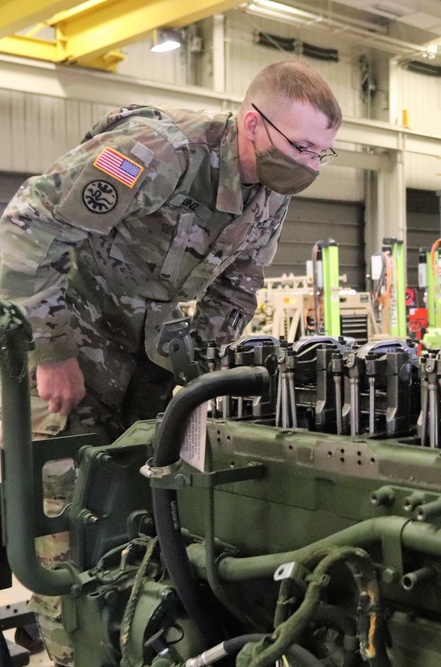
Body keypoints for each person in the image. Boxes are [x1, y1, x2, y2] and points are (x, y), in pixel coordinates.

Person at [0, 59, 341, 664]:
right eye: (304, 146)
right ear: (254, 123)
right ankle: (71, 648)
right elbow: (28, 227)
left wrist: (203, 371)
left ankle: (135, 627)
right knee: (66, 502)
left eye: (323, 153)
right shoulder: (158, 153)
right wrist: (52, 350)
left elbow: (238, 284)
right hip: (73, 335)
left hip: (149, 347)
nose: (311, 165)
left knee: (147, 492)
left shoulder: (269, 190)